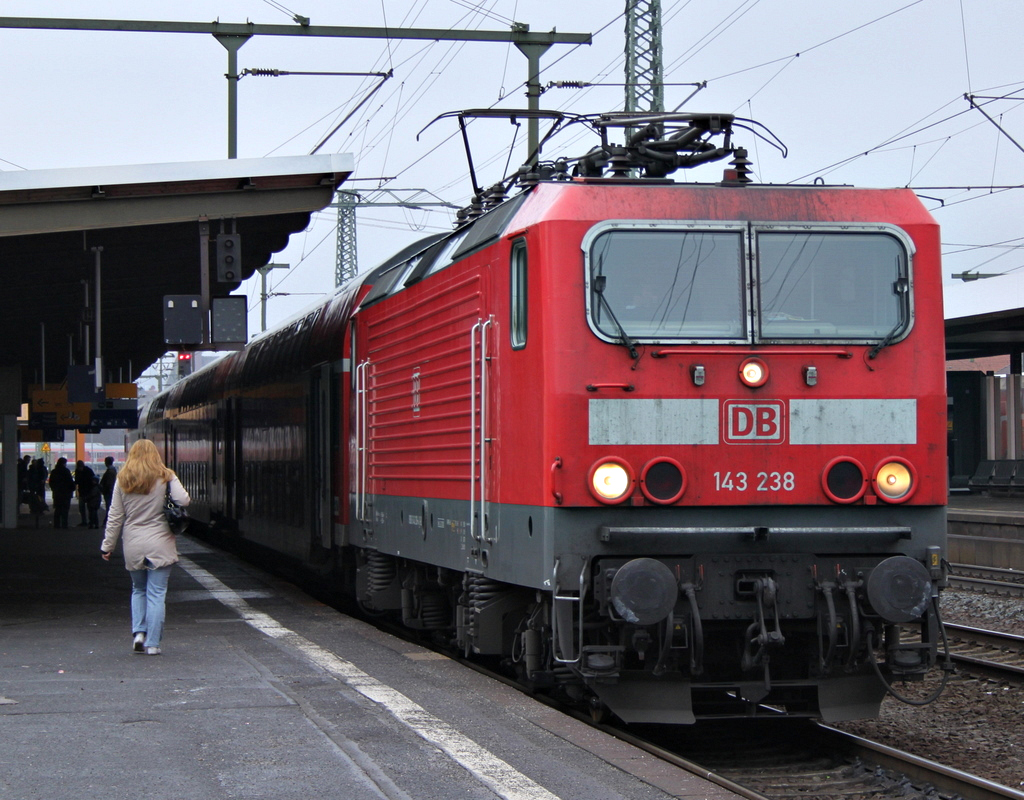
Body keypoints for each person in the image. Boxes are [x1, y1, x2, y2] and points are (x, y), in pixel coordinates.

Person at [100, 439, 190, 656]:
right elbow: (183, 500)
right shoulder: (166, 476)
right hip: (160, 542)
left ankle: (139, 633)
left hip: (133, 543)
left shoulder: (123, 479)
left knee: (138, 589)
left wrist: (107, 546)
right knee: (157, 593)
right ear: (154, 455)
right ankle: (153, 644)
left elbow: (115, 516)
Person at [47, 458, 75, 528]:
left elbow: (51, 482)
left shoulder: (54, 471)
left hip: (57, 493)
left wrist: (54, 489)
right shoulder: (66, 471)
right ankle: (64, 524)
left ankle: (56, 525)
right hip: (66, 493)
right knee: (65, 510)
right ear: (64, 463)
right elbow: (70, 482)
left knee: (57, 509)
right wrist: (72, 489)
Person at [74, 460, 100, 528]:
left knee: (87, 508)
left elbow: (77, 481)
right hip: (85, 492)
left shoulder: (82, 471)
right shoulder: (88, 471)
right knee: (87, 508)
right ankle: (89, 522)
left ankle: (87, 521)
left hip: (86, 492)